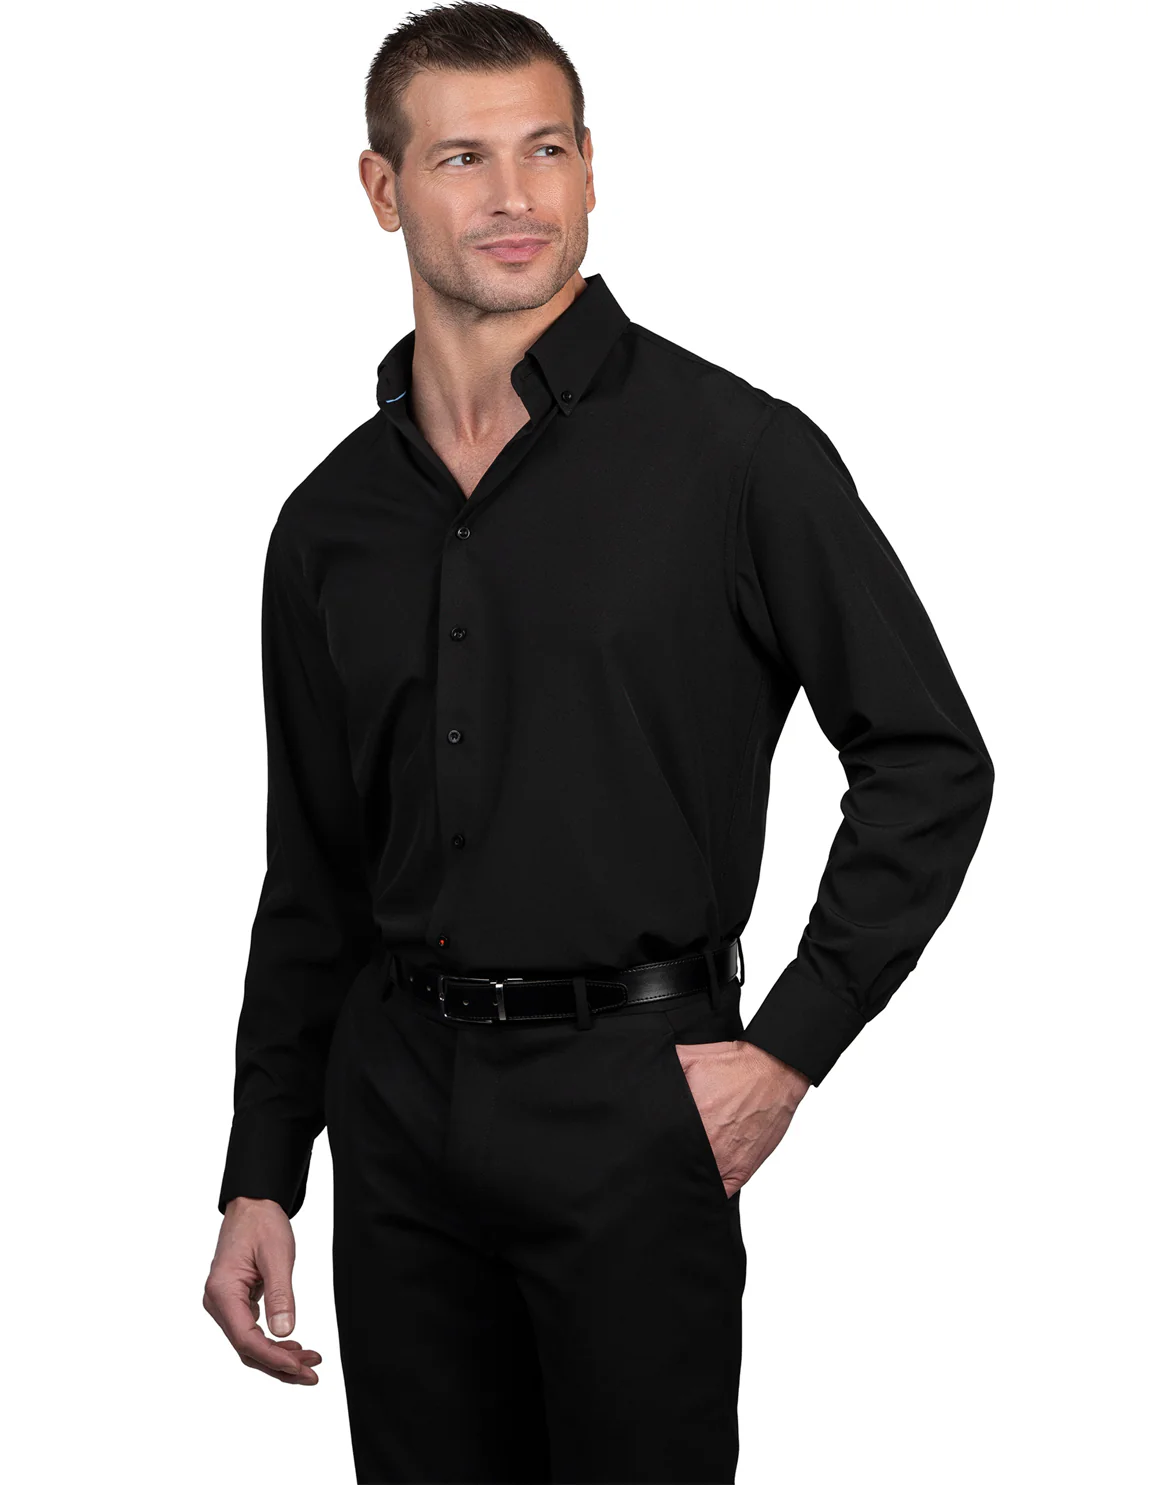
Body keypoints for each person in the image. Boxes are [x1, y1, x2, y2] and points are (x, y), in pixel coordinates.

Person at [203, 5, 995, 1482]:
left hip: (635, 1100)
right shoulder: (329, 523)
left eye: (548, 149)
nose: (516, 195)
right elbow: (312, 871)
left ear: (590, 169)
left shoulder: (739, 456)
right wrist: (263, 1172)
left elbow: (930, 762)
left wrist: (787, 1052)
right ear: (382, 189)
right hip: (396, 1114)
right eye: (464, 158)